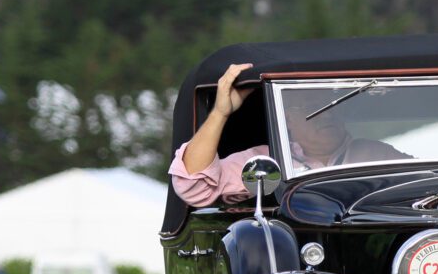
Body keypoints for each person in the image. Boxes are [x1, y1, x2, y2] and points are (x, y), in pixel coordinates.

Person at [169, 62, 410, 207]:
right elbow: (193, 187)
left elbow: (419, 191)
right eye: (310, 108)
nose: (325, 114)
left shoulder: (377, 154)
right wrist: (221, 112)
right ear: (288, 119)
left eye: (331, 105)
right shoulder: (263, 160)